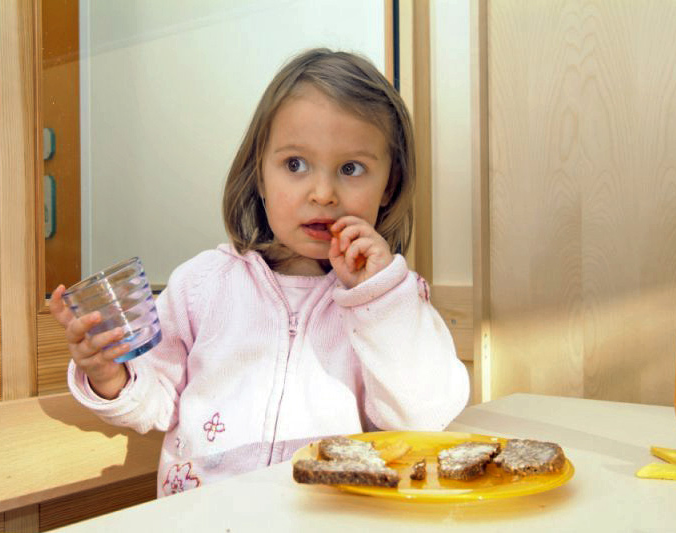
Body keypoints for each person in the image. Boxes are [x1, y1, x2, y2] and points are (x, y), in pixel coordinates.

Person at [49, 48, 470, 497]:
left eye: (351, 168)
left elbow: (424, 416)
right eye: (295, 164)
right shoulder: (202, 284)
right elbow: (154, 401)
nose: (323, 193)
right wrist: (109, 377)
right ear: (259, 176)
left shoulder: (392, 300)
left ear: (389, 184)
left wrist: (380, 298)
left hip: (326, 521)